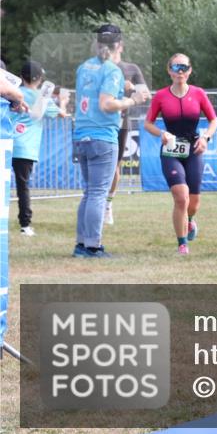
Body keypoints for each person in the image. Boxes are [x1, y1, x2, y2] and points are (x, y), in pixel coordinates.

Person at [72, 24, 150, 258]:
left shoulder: (83, 67)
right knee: (97, 193)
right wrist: (133, 100)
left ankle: (81, 244)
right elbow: (107, 104)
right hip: (102, 136)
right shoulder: (112, 70)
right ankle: (93, 247)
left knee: (89, 192)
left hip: (82, 134)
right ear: (120, 46)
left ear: (97, 44)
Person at [143, 54, 217, 254]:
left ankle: (190, 220)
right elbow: (148, 123)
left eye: (184, 67)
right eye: (176, 67)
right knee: (181, 198)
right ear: (169, 70)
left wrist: (205, 138)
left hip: (194, 150)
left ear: (190, 70)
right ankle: (182, 244)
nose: (180, 71)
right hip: (171, 150)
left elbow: (213, 120)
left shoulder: (199, 93)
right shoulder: (161, 96)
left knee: (193, 203)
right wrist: (161, 133)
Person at [11, 61, 59, 236]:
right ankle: (25, 225)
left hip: (7, 142)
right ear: (39, 79)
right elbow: (58, 113)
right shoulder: (42, 98)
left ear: (22, 76)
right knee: (22, 187)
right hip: (25, 149)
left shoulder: (14, 93)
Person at [105, 47, 148, 226]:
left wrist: (131, 90)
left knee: (115, 166)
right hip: (97, 123)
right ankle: (96, 203)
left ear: (120, 45)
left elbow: (145, 95)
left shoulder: (131, 69)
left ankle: (108, 205)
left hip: (121, 123)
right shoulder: (94, 67)